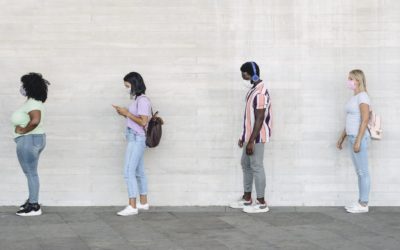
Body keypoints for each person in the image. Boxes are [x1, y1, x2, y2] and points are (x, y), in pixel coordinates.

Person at [230, 62, 272, 213]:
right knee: (245, 164)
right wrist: (244, 137)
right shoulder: (253, 90)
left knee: (256, 167)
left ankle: (261, 203)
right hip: (250, 137)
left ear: (251, 73)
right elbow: (249, 117)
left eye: (244, 73)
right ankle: (247, 198)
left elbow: (260, 119)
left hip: (257, 138)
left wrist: (252, 141)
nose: (243, 76)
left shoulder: (260, 92)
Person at [113, 72, 151, 216]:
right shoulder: (137, 99)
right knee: (139, 171)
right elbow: (137, 119)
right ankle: (143, 202)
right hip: (135, 137)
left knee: (128, 171)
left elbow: (143, 122)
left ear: (135, 84)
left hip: (137, 138)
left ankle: (132, 206)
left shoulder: (142, 100)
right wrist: (123, 113)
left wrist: (127, 113)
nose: (127, 89)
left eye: (127, 86)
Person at [11, 73, 49, 216]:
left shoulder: (33, 103)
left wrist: (23, 130)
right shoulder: (33, 102)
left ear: (29, 87)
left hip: (29, 139)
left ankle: (34, 206)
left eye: (24, 85)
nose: (22, 88)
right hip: (33, 139)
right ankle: (32, 201)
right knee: (31, 172)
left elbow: (35, 120)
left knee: (31, 173)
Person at [337, 69, 371, 213]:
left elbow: (364, 120)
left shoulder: (363, 96)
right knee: (359, 172)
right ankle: (360, 201)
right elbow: (350, 120)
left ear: (358, 80)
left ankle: (364, 204)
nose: (349, 81)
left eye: (351, 78)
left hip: (359, 138)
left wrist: (358, 140)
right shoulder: (354, 97)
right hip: (352, 137)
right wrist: (341, 138)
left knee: (363, 172)